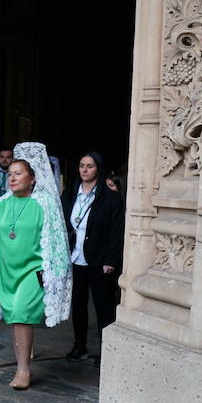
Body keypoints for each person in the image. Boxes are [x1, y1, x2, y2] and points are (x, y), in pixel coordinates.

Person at [0, 142, 72, 389]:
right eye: (10, 174)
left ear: (32, 178)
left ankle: (23, 370)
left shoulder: (44, 204)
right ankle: (22, 361)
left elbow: (56, 241)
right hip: (8, 272)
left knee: (20, 314)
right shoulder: (2, 204)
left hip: (32, 270)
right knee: (16, 318)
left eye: (19, 173)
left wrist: (55, 275)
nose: (12, 178)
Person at [61, 151, 125, 364]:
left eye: (90, 165)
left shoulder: (110, 198)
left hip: (99, 261)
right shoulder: (69, 194)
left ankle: (106, 350)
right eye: (81, 165)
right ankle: (79, 346)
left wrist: (111, 260)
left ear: (98, 168)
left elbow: (117, 231)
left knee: (103, 306)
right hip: (75, 259)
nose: (85, 169)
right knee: (77, 305)